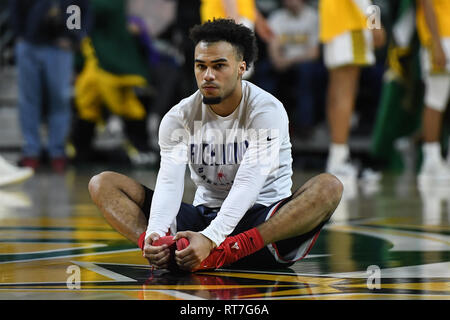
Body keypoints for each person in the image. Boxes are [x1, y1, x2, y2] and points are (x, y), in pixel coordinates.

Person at [88, 19, 343, 272]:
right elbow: (169, 182)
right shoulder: (179, 117)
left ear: (241, 67)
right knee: (102, 184)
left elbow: (248, 184)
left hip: (261, 226)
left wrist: (213, 240)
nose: (208, 75)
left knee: (329, 187)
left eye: (219, 66)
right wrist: (155, 232)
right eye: (201, 66)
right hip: (204, 217)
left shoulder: (266, 110)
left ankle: (226, 252)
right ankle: (157, 251)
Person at [9, 0, 91, 172]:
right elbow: (15, 6)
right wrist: (20, 35)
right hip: (29, 44)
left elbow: (78, 8)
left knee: (59, 99)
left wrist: (71, 36)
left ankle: (57, 152)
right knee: (28, 100)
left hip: (59, 48)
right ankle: (31, 151)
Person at [319, 0, 386, 183]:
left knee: (336, 94)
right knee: (345, 95)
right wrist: (375, 23)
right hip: (351, 25)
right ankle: (339, 160)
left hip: (334, 26)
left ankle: (337, 157)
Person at [264, 0, 319, 138]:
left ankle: (305, 126)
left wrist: (289, 61)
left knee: (306, 73)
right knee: (265, 71)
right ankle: (268, 125)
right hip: (283, 63)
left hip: (304, 63)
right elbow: (273, 49)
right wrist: (278, 61)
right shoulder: (277, 17)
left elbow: (314, 54)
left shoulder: (313, 17)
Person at [415, 0, 450, 184]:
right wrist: (436, 42)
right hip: (441, 39)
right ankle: (431, 161)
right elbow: (426, 3)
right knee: (435, 99)